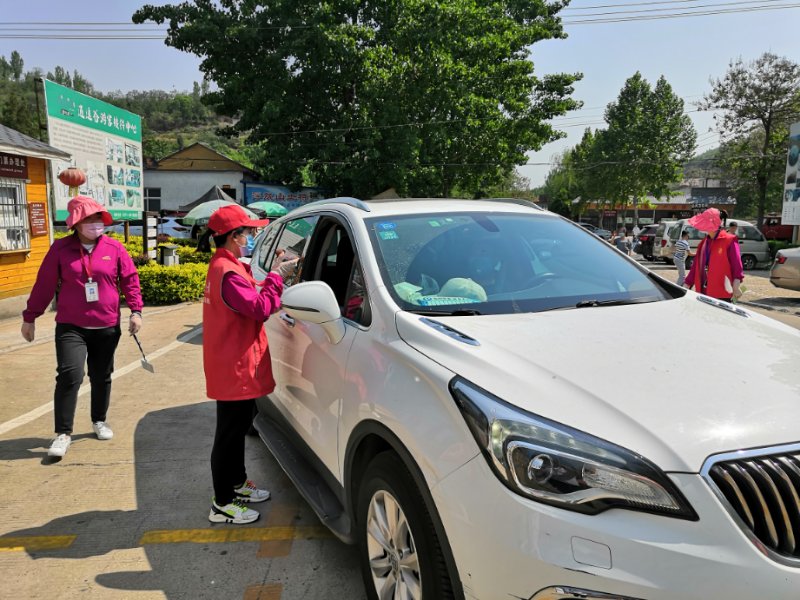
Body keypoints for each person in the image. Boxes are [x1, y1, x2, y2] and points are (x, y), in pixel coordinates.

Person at [21, 196, 143, 458]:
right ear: (76, 224)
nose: (95, 224)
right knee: (70, 375)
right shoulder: (60, 249)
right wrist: (30, 317)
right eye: (89, 219)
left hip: (106, 324)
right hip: (71, 326)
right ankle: (63, 433)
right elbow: (44, 284)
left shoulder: (114, 247)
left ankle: (99, 420)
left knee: (101, 375)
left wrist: (136, 311)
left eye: (98, 218)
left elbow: (130, 280)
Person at [202, 205, 297, 524]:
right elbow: (259, 307)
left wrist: (273, 269)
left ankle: (238, 483)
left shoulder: (226, 264)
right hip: (233, 365)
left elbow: (251, 289)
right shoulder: (226, 273)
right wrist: (277, 277)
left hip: (234, 361)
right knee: (228, 434)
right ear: (233, 237)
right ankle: (222, 502)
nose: (253, 237)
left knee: (240, 427)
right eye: (249, 232)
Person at [683, 207, 744, 301]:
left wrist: (736, 285)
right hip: (702, 292)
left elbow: (737, 265)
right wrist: (686, 284)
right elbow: (695, 267)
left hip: (722, 293)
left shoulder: (729, 240)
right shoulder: (703, 243)